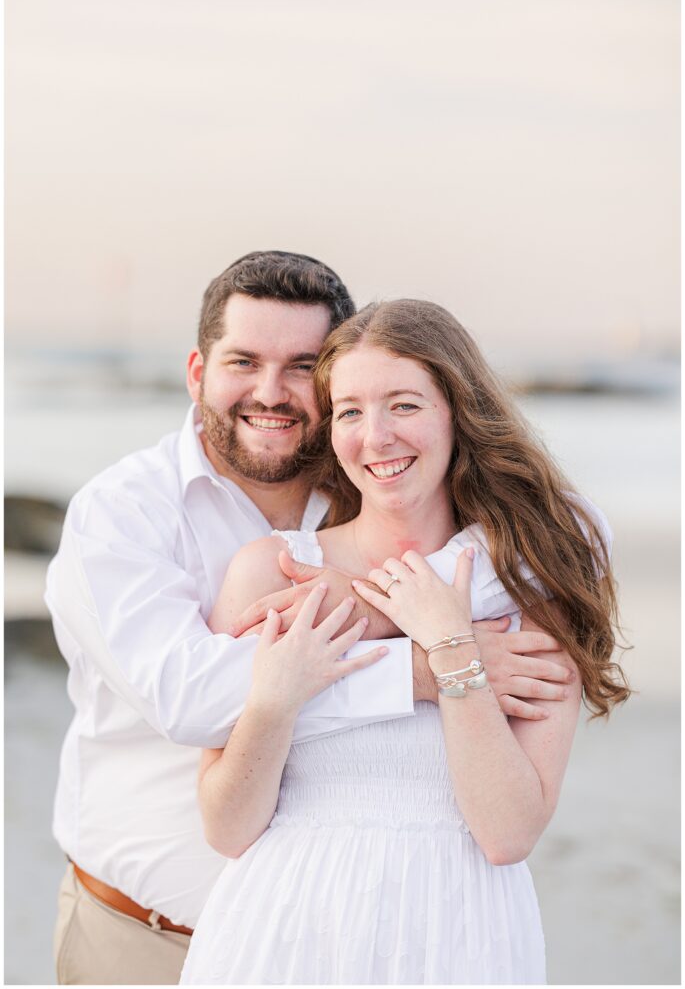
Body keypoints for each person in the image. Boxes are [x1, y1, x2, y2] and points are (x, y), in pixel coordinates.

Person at [46, 255, 574, 985]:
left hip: (413, 937)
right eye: (243, 361)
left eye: (300, 366)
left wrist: (420, 621)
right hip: (144, 931)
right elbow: (191, 702)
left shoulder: (376, 495)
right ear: (197, 372)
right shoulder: (123, 512)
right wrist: (420, 657)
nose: (271, 392)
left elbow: (568, 542)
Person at [181, 299, 629, 985]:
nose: (377, 437)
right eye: (352, 412)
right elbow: (228, 829)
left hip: (459, 926)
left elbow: (507, 833)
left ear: (457, 410)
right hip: (285, 924)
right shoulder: (271, 570)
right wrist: (274, 698)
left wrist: (450, 642)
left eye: (404, 405)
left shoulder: (529, 576)